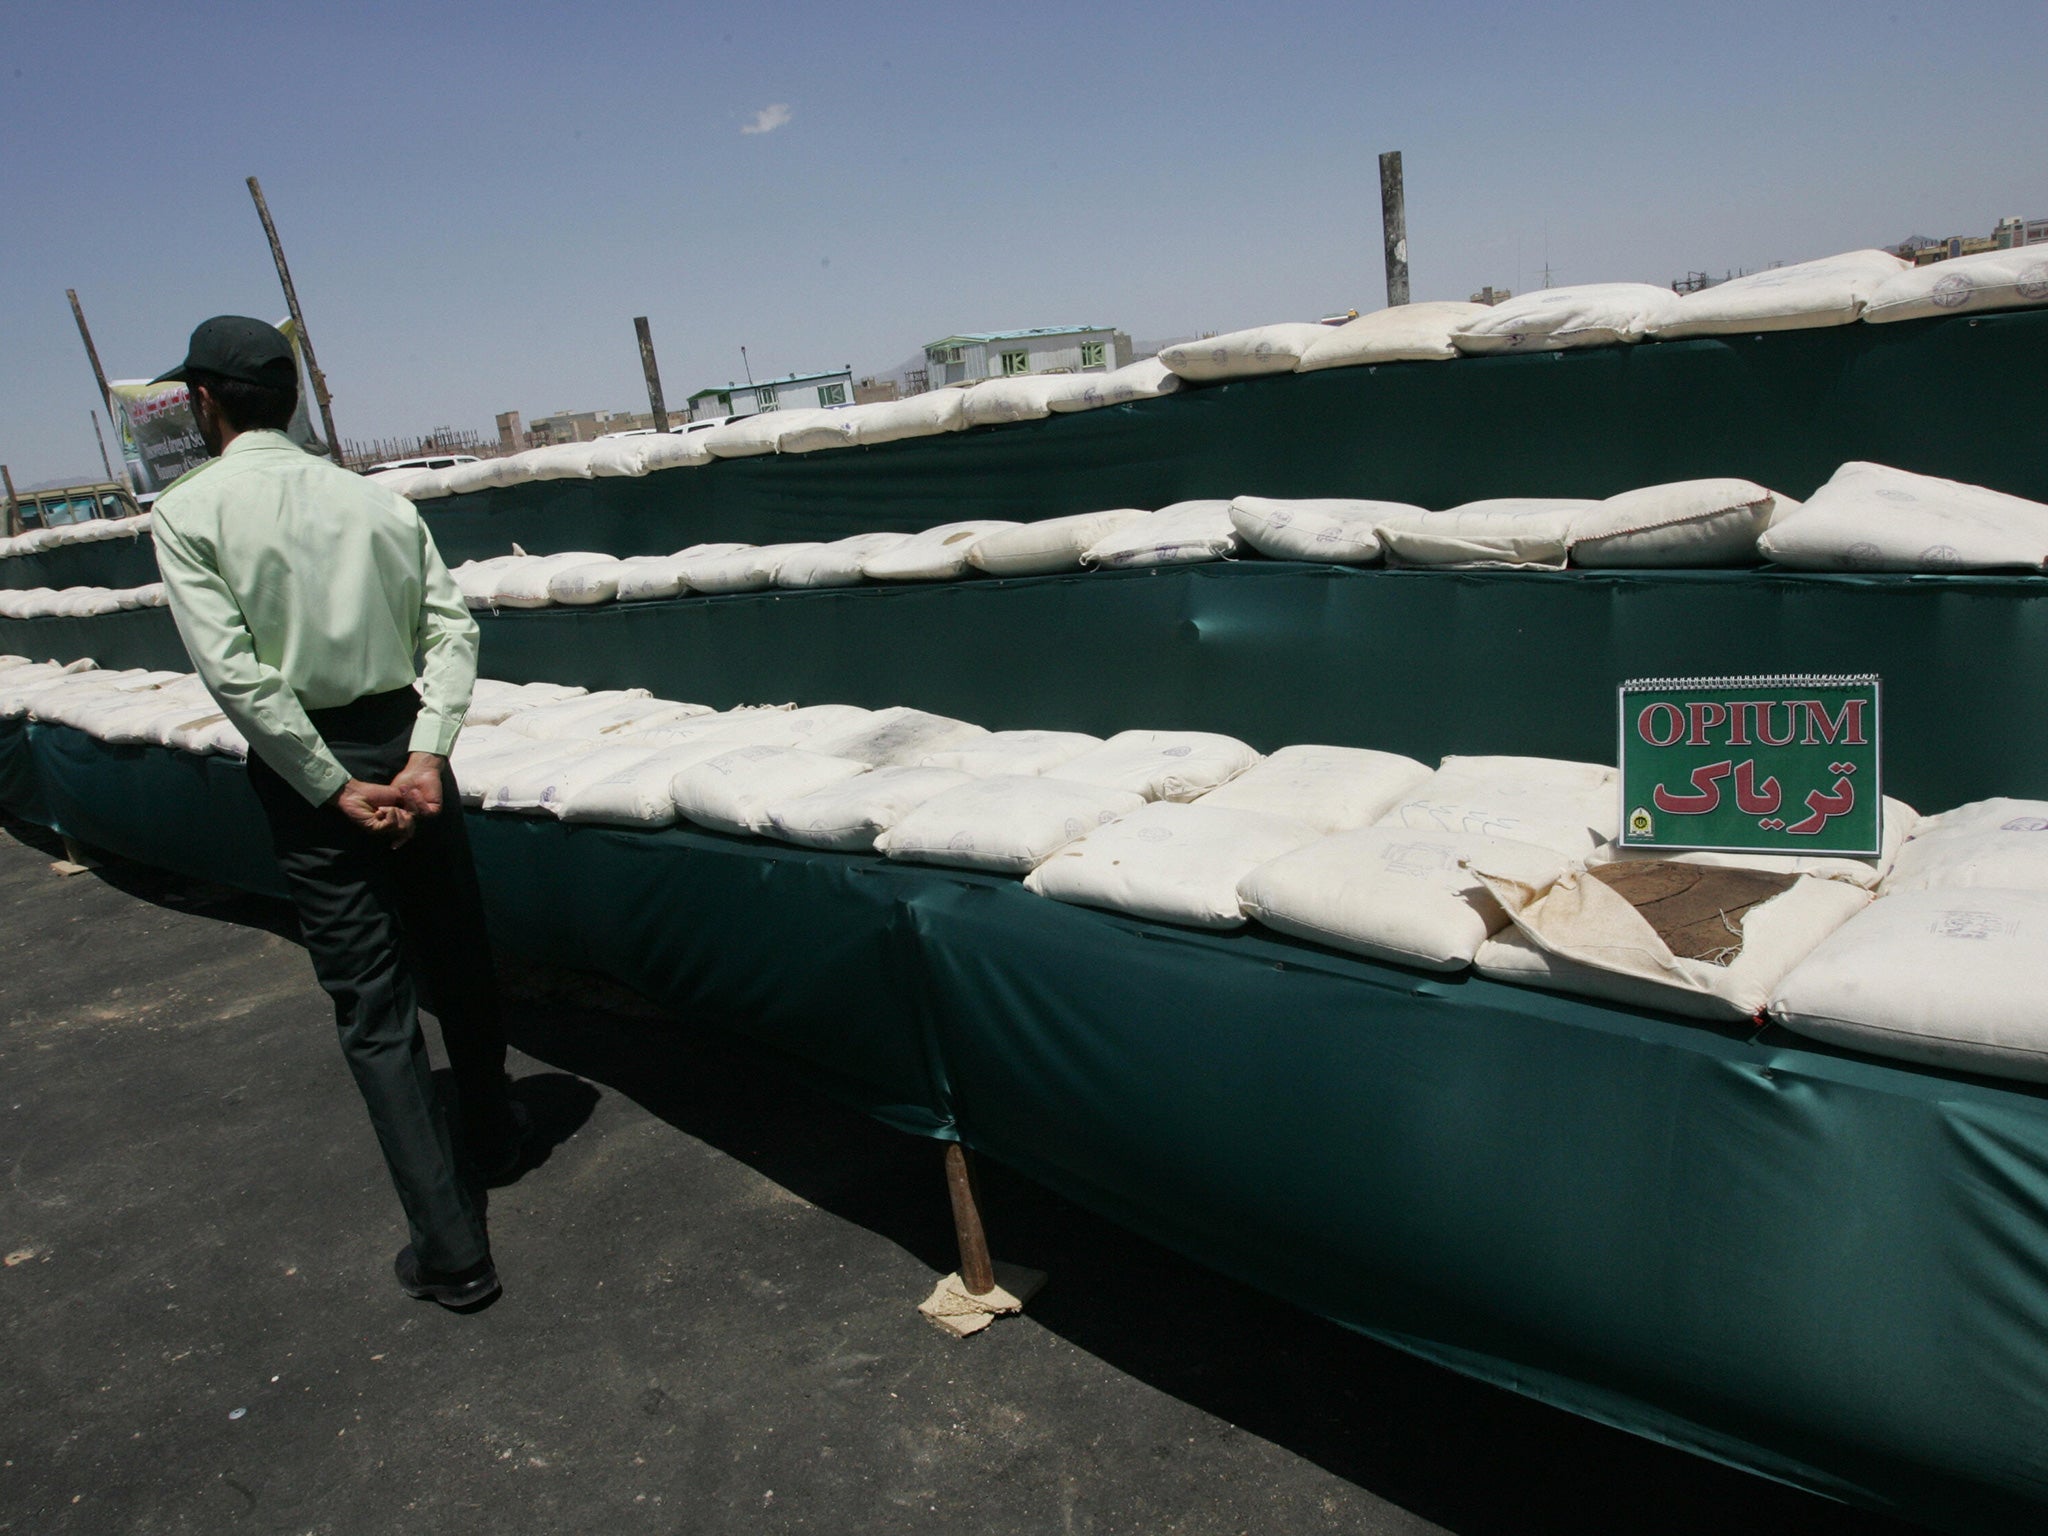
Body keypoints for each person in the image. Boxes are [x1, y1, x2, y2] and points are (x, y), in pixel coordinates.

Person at [149, 316, 526, 1310]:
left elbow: (238, 675)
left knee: (373, 1001)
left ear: (204, 402)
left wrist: (331, 785)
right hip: (405, 746)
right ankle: (496, 1135)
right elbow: (450, 631)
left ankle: (453, 1249)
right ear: (293, 400)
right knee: (456, 950)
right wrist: (426, 753)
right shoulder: (376, 503)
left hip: (311, 769)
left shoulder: (189, 513)